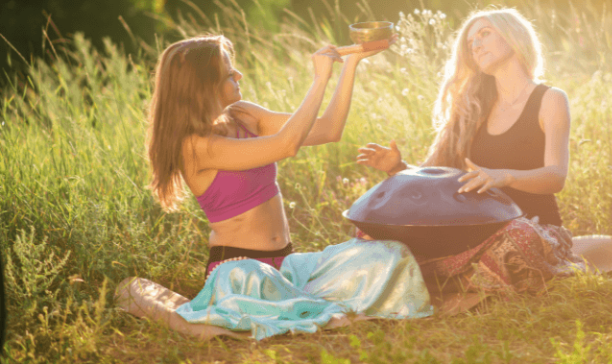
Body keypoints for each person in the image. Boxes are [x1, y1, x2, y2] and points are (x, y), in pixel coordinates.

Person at [143, 34, 432, 339]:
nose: (238, 75)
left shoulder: (244, 116)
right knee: (252, 275)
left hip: (288, 266)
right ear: (202, 86)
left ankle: (302, 305)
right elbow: (287, 144)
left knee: (388, 254)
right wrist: (319, 79)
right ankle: (312, 308)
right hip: (241, 272)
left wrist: (350, 63)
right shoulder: (195, 146)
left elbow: (329, 128)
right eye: (229, 74)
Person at [357, 8, 586, 294]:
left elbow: (556, 177)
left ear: (514, 36)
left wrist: (505, 177)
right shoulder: (473, 107)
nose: (475, 45)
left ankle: (434, 273)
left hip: (531, 225)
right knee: (373, 231)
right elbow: (435, 181)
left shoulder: (550, 99)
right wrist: (398, 168)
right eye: (470, 42)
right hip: (477, 228)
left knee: (517, 239)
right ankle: (456, 272)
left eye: (484, 34)